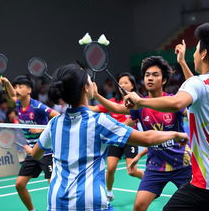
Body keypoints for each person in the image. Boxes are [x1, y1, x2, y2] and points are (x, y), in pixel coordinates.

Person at [124, 22, 209, 211]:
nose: (194, 54)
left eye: (196, 49)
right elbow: (199, 88)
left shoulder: (198, 84)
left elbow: (176, 102)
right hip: (208, 185)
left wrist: (139, 101)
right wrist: (182, 62)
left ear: (204, 53)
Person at [29, 63, 189, 211]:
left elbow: (36, 154)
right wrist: (174, 135)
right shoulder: (99, 121)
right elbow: (146, 138)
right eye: (90, 80)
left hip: (56, 202)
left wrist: (31, 149)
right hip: (90, 201)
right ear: (86, 88)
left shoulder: (53, 124)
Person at [93, 56, 192, 211]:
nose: (150, 78)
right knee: (139, 206)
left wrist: (183, 63)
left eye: (155, 75)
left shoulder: (173, 101)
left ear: (164, 80)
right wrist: (97, 95)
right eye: (147, 75)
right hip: (155, 167)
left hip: (182, 164)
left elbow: (192, 105)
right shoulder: (139, 105)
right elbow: (118, 108)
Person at [0, 75, 59, 211]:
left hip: (46, 151)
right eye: (16, 87)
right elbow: (12, 95)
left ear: (29, 90)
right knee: (19, 184)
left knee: (53, 185)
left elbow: (58, 116)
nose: (17, 89)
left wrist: (40, 130)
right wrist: (8, 82)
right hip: (31, 152)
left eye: (21, 86)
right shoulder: (18, 103)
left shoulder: (38, 107)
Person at [89, 72, 143, 202]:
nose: (123, 85)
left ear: (132, 85)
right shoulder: (112, 102)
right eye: (120, 83)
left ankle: (151, 180)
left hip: (130, 138)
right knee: (111, 168)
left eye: (126, 82)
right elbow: (94, 108)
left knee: (132, 170)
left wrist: (115, 128)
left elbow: (130, 122)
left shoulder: (138, 102)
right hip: (115, 140)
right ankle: (109, 192)